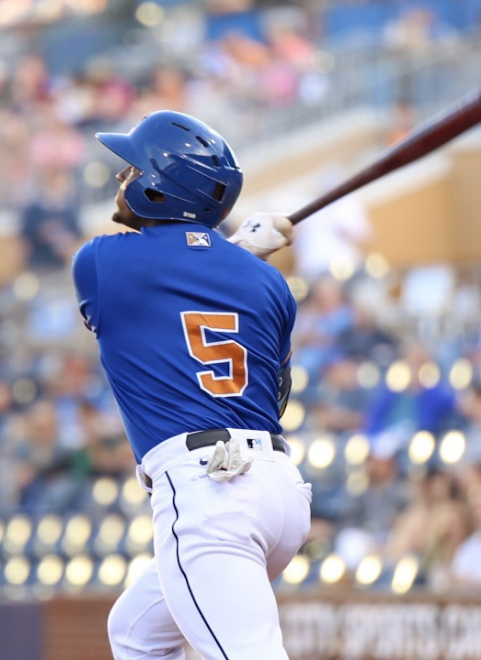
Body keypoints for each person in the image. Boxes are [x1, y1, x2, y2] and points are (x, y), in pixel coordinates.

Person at [72, 110, 311, 660]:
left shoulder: (102, 263)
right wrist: (239, 256)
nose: (122, 178)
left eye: (134, 169)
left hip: (211, 492)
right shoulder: (270, 283)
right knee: (137, 632)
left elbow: (166, 282)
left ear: (163, 185)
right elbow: (273, 394)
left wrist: (236, 248)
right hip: (278, 491)